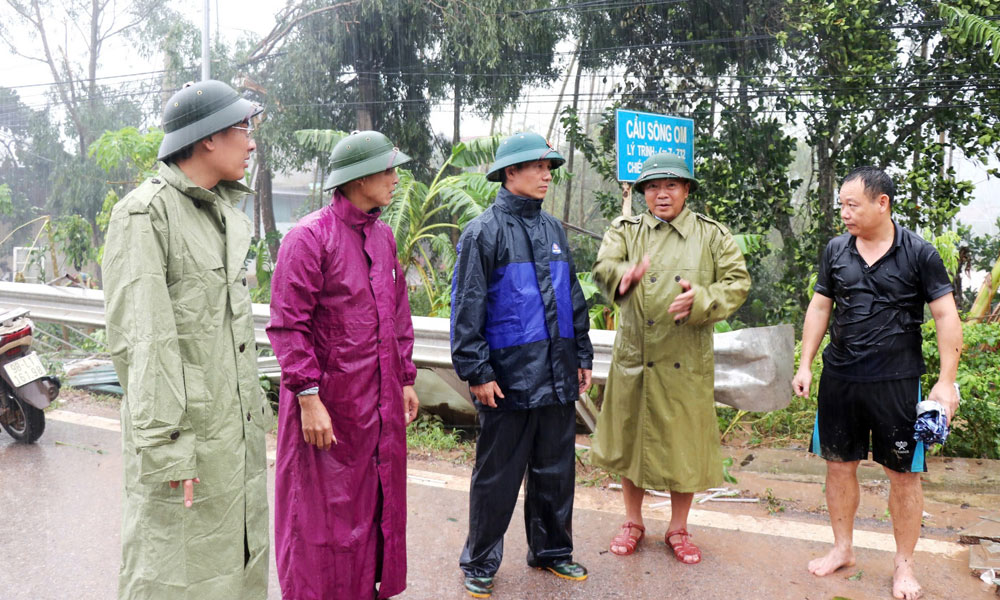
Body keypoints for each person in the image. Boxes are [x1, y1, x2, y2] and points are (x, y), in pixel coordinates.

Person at [103, 80, 269, 599]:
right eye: (243, 130)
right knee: (173, 572)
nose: (252, 142)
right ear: (207, 139)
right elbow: (144, 341)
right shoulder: (145, 213)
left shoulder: (219, 213)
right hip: (185, 440)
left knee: (235, 567)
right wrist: (168, 448)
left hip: (229, 435)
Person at [792, 166, 962, 600]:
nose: (844, 214)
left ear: (881, 203)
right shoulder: (835, 250)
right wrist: (806, 363)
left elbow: (945, 315)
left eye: (852, 205)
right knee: (837, 465)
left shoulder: (919, 253)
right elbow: (820, 306)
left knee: (904, 475)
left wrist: (946, 381)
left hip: (897, 383)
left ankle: (904, 565)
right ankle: (843, 548)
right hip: (841, 378)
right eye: (841, 206)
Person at [267, 130, 420, 600]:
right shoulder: (309, 238)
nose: (396, 179)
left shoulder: (383, 235)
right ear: (360, 177)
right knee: (320, 520)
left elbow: (396, 313)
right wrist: (309, 398)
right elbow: (288, 326)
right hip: (329, 409)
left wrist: (406, 378)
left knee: (373, 508)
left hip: (377, 407)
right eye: (389, 170)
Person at [450, 132, 594, 598]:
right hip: (508, 380)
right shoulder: (483, 232)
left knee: (555, 470)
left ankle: (552, 551)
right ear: (511, 172)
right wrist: (477, 372)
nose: (547, 175)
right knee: (497, 476)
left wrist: (583, 355)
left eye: (550, 167)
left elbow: (572, 299)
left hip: (556, 373)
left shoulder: (553, 230)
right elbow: (468, 307)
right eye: (538, 167)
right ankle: (480, 560)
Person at [591, 152, 750, 564]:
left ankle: (678, 528)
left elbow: (737, 283)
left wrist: (702, 300)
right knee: (631, 439)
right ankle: (632, 521)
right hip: (636, 356)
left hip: (685, 356)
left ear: (686, 190)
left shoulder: (710, 235)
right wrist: (621, 276)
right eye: (653, 187)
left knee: (686, 446)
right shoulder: (625, 229)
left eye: (671, 186)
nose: (661, 195)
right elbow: (604, 266)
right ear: (643, 192)